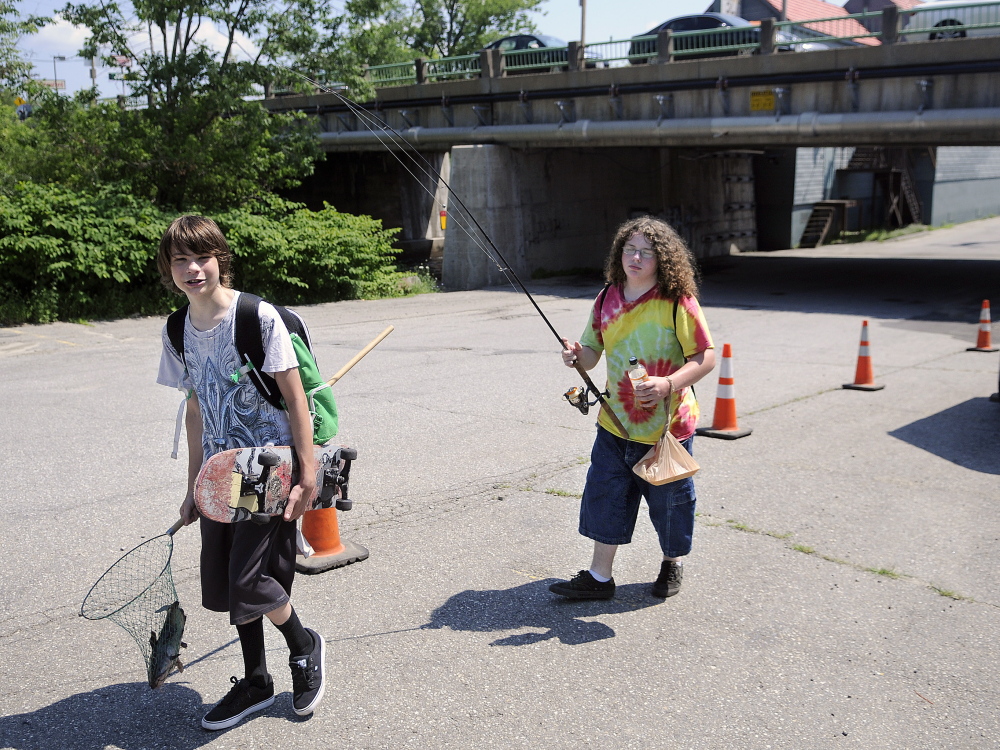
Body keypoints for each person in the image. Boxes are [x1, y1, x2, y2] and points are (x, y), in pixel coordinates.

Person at [155, 215, 325, 730]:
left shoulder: (257, 317)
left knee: (248, 578)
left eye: (201, 257)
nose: (192, 269)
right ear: (169, 269)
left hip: (265, 468)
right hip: (217, 472)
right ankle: (255, 679)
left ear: (219, 259)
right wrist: (191, 490)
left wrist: (307, 473)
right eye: (180, 260)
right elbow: (194, 410)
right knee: (229, 580)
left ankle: (303, 644)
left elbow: (295, 398)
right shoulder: (175, 328)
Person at [550, 216, 716, 601]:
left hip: (666, 427)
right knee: (605, 496)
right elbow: (591, 355)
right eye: (630, 250)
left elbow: (705, 357)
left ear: (663, 259)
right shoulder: (608, 296)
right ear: (619, 253)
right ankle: (599, 577)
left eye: (646, 252)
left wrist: (668, 384)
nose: (636, 258)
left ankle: (671, 563)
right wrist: (576, 355)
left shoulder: (677, 300)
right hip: (615, 422)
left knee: (670, 506)